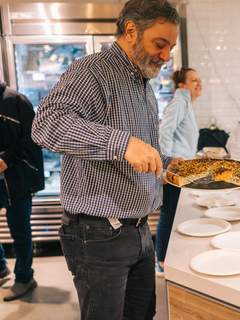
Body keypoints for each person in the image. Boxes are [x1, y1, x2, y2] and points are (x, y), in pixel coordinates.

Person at [31, 0, 182, 319]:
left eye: (171, 47)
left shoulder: (142, 83)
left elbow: (139, 149)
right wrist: (122, 143)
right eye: (160, 44)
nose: (167, 57)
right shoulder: (93, 71)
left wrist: (166, 163)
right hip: (99, 236)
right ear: (131, 31)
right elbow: (46, 124)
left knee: (143, 314)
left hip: (140, 231)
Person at [0, 82, 44, 302]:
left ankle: (25, 277)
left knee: (20, 232)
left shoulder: (16, 100)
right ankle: (0, 267)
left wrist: (5, 159)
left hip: (17, 180)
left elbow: (34, 139)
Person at [156, 68, 202, 277]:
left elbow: (181, 138)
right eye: (194, 80)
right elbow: (165, 132)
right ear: (181, 85)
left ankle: (168, 258)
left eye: (199, 80)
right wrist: (166, 168)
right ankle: (162, 261)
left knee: (175, 215)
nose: (198, 84)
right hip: (175, 172)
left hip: (183, 171)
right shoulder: (180, 103)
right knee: (169, 215)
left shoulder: (186, 104)